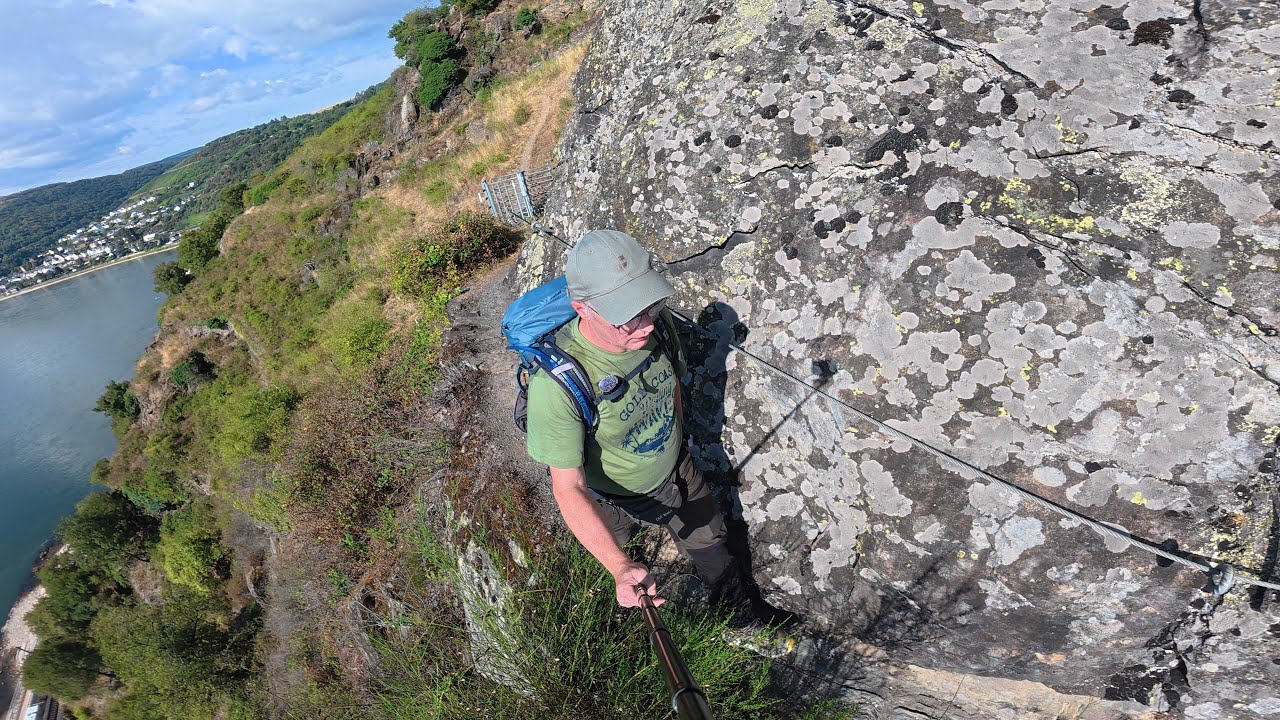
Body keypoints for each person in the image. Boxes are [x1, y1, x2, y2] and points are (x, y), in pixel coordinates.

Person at [524, 229, 742, 610]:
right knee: (623, 547)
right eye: (627, 316)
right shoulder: (558, 385)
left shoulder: (653, 329)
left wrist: (681, 436)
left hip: (676, 467)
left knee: (711, 543)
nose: (646, 324)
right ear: (583, 310)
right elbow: (568, 488)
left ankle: (740, 618)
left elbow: (671, 379)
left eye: (649, 306)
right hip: (612, 494)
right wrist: (620, 566)